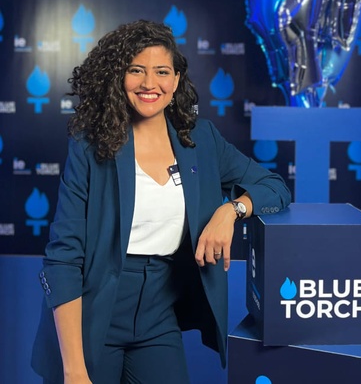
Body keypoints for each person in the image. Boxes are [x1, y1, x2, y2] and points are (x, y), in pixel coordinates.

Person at [31, 19, 291, 384]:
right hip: (92, 311)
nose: (149, 84)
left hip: (157, 316)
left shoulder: (200, 139)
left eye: (162, 71)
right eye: (136, 70)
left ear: (177, 80)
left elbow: (274, 187)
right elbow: (64, 257)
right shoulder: (91, 145)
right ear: (118, 77)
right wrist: (74, 371)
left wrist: (230, 211)